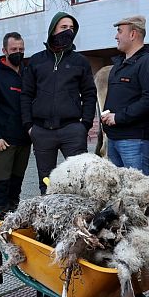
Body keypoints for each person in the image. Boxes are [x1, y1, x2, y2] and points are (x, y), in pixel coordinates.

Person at [21, 12, 97, 194]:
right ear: (53, 30)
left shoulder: (80, 61)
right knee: (47, 183)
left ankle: (78, 212)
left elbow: (89, 93)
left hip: (72, 130)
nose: (68, 31)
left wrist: (85, 125)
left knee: (79, 180)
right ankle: (49, 211)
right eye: (64, 27)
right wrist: (29, 125)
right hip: (41, 131)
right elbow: (26, 94)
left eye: (71, 28)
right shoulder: (37, 60)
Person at [100, 15, 149, 175]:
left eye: (120, 31)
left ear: (133, 34)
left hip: (134, 141)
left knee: (136, 188)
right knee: (117, 186)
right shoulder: (119, 64)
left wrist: (118, 117)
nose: (116, 36)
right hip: (114, 138)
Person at [0, 32, 31, 218]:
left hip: (24, 140)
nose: (18, 52)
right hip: (4, 141)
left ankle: (13, 215)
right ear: (4, 51)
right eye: (14, 49)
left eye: (21, 49)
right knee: (2, 182)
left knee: (17, 182)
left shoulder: (27, 74)